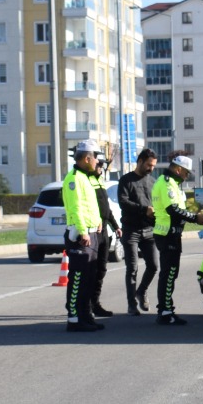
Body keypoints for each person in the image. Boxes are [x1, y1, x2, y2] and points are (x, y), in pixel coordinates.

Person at [151, 154, 203, 325]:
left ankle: (166, 309)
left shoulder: (170, 182)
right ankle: (165, 311)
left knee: (170, 274)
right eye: (186, 173)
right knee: (168, 274)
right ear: (178, 169)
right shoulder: (167, 183)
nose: (187, 176)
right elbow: (173, 209)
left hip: (171, 233)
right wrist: (195, 218)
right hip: (167, 234)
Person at [61, 139, 108, 333]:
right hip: (81, 235)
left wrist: (97, 221)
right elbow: (76, 207)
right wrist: (82, 231)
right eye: (95, 157)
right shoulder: (73, 179)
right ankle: (74, 318)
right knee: (78, 278)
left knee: (88, 278)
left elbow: (91, 205)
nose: (97, 161)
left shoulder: (85, 177)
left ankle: (86, 315)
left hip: (91, 233)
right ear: (87, 158)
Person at [116, 148, 159, 315]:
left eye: (154, 166)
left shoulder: (153, 182)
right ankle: (132, 304)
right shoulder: (126, 181)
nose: (151, 168)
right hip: (131, 230)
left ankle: (141, 291)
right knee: (132, 268)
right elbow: (123, 202)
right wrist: (144, 210)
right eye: (149, 165)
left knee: (154, 266)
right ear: (140, 161)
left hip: (149, 230)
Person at [88, 152, 121, 318]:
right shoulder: (86, 181)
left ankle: (95, 303)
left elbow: (106, 208)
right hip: (93, 230)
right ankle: (86, 305)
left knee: (101, 269)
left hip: (104, 231)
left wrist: (115, 226)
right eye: (98, 164)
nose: (100, 167)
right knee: (90, 270)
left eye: (102, 164)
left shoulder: (99, 181)